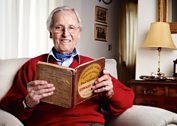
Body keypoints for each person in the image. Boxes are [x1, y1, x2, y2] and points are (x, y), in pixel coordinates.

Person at [0, 6, 134, 126]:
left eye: (71, 27)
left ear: (78, 33)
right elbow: (7, 106)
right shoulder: (32, 66)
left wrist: (111, 92)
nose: (65, 34)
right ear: (50, 32)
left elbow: (127, 100)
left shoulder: (94, 66)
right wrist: (27, 101)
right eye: (59, 27)